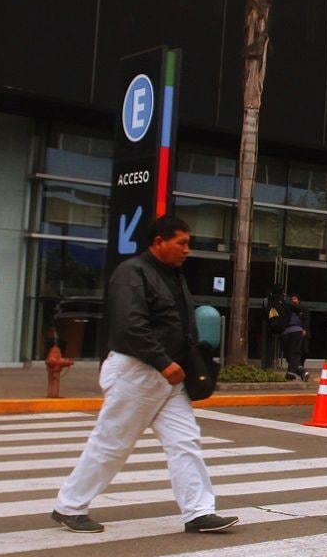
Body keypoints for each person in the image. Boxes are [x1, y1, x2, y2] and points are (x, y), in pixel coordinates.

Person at [51, 214, 237, 536]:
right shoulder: (132, 273)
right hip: (137, 371)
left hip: (169, 377)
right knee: (112, 443)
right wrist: (164, 362)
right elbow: (130, 326)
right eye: (181, 243)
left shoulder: (173, 275)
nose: (187, 250)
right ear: (158, 242)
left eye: (188, 243)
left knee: (185, 442)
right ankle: (70, 506)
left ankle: (198, 512)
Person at [280, 294, 308, 379]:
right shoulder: (290, 305)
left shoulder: (276, 305)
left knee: (292, 353)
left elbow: (305, 315)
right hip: (294, 330)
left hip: (289, 330)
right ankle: (298, 371)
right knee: (292, 353)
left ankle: (295, 372)